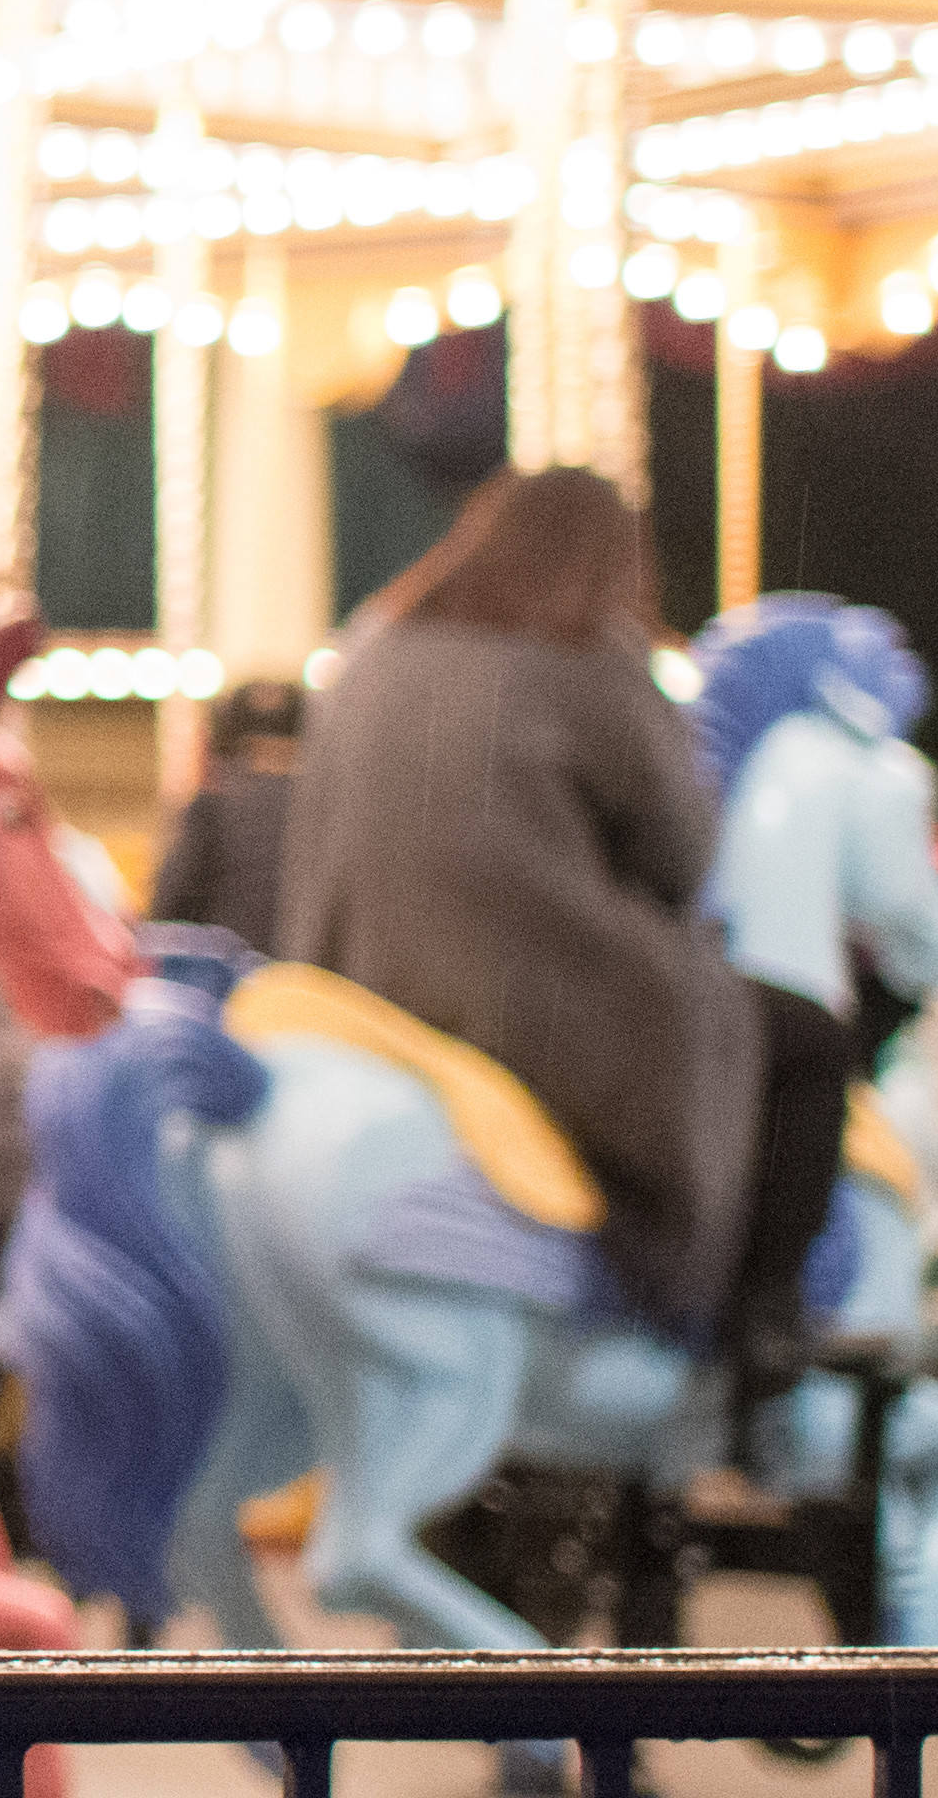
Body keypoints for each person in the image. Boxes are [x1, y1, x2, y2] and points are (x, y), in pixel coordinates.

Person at [281, 468, 766, 1350]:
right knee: (774, 1031)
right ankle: (722, 1327)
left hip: (346, 981)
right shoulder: (588, 663)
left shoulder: (370, 653)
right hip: (506, 991)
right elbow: (685, 858)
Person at [690, 591, 938, 1408]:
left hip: (694, 976)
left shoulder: (738, 763)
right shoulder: (852, 760)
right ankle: (769, 1301)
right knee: (811, 1052)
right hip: (770, 993)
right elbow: (912, 906)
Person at [141, 669, 307, 942]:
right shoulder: (329, 813)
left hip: (235, 978)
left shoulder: (213, 808)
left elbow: (168, 912)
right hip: (317, 980)